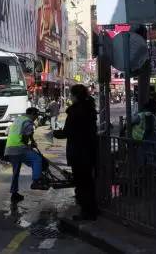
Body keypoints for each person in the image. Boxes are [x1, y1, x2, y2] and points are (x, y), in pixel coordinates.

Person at [64, 84, 98, 221]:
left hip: (78, 151)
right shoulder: (90, 109)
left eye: (71, 95)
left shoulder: (75, 111)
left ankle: (86, 212)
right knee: (88, 181)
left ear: (76, 96)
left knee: (81, 182)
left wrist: (56, 133)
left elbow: (68, 131)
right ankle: (92, 209)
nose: (70, 98)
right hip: (89, 151)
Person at [5, 107, 48, 203]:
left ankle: (14, 194)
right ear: (33, 114)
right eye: (36, 116)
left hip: (9, 149)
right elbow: (26, 134)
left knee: (15, 172)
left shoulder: (18, 119)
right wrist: (29, 145)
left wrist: (31, 141)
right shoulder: (28, 122)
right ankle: (36, 181)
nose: (36, 118)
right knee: (37, 159)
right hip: (19, 148)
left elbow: (16, 133)